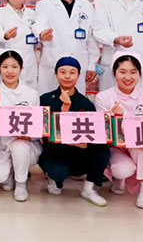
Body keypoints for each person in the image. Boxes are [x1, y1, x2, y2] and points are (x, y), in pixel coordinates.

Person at [38, 56, 111, 207]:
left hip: (79, 153)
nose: (67, 76)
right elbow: (43, 133)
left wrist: (84, 144)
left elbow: (93, 134)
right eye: (62, 72)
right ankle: (54, 178)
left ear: (78, 75)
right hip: (55, 153)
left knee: (102, 148)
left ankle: (88, 189)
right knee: (58, 173)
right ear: (56, 74)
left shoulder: (86, 103)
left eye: (72, 72)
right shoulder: (45, 99)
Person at [94, 51, 143, 209]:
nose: (128, 77)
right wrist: (116, 120)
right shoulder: (103, 98)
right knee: (122, 169)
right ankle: (119, 179)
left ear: (139, 74)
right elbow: (105, 132)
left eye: (133, 72)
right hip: (116, 147)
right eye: (122, 72)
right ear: (114, 73)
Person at [0, 49, 41, 202]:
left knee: (19, 146)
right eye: (5, 67)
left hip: (25, 144)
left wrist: (29, 136)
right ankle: (9, 173)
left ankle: (21, 184)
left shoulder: (31, 94)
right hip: (0, 145)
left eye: (14, 67)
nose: (10, 71)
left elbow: (38, 124)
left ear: (21, 69)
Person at [34, 0, 99, 95]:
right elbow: (39, 24)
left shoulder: (86, 6)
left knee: (75, 102)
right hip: (52, 64)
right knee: (50, 101)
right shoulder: (44, 5)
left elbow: (91, 38)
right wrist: (42, 33)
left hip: (78, 64)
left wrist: (92, 65)